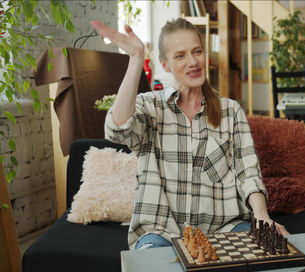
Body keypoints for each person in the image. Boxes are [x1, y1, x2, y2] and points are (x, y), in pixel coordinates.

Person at [91, 18, 289, 250]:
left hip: (224, 229)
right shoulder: (149, 107)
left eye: (197, 51)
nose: (193, 62)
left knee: (270, 256)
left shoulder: (231, 111)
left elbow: (248, 173)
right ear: (165, 64)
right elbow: (117, 129)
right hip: (160, 232)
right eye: (180, 56)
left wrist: (261, 216)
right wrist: (136, 58)